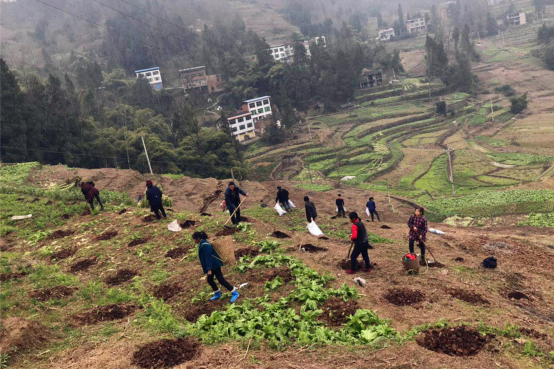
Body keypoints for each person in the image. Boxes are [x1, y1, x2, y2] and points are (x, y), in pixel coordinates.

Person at [193, 231, 240, 303]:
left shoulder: (204, 245)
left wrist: (209, 269)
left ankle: (234, 292)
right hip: (213, 265)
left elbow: (208, 258)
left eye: (194, 239)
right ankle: (217, 293)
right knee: (210, 280)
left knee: (221, 280)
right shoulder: (203, 243)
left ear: (198, 238)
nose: (194, 241)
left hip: (214, 265)